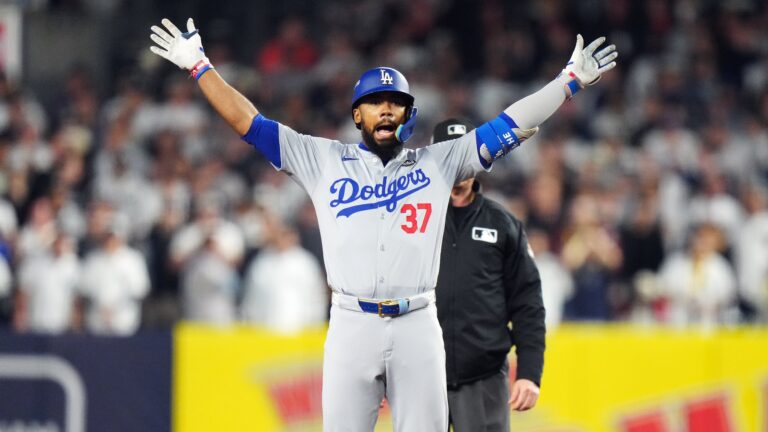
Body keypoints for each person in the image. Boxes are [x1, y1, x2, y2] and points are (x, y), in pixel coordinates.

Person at [150, 18, 616, 431]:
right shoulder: (321, 158)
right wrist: (199, 68)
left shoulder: (439, 162)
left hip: (417, 321)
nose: (386, 109)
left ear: (409, 113)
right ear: (357, 114)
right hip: (352, 321)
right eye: (375, 103)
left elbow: (508, 124)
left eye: (395, 102)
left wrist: (568, 82)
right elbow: (247, 123)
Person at [431, 119, 544, 431]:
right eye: (449, 154)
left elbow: (528, 302)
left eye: (464, 154)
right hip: (422, 376)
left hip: (483, 377)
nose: (458, 164)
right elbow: (388, 291)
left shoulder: (503, 223)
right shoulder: (413, 222)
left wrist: (529, 373)